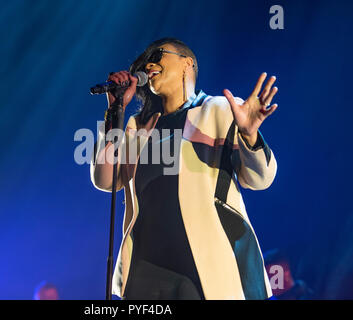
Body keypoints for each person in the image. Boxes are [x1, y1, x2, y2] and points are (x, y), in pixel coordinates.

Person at [90, 37, 278, 300]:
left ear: (187, 63)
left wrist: (249, 135)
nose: (149, 64)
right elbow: (106, 180)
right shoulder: (136, 126)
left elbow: (260, 179)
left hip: (208, 263)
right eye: (145, 61)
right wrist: (114, 110)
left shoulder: (219, 109)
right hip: (148, 267)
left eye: (158, 54)